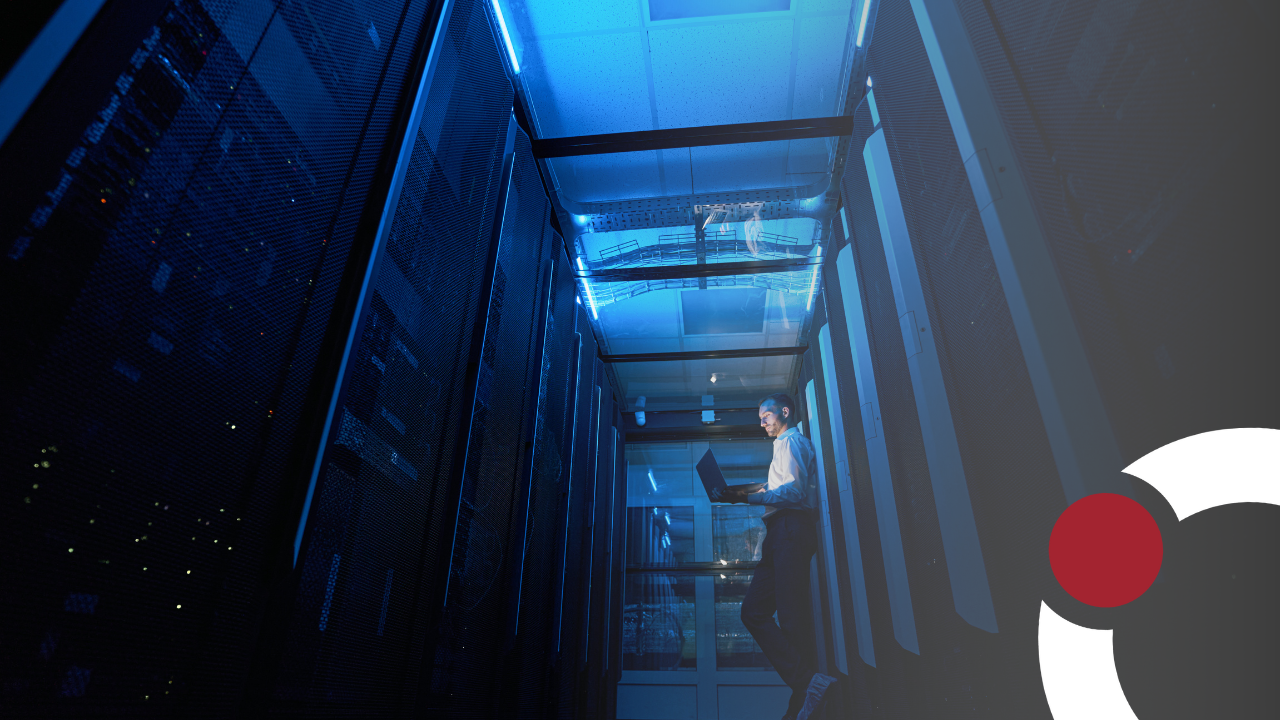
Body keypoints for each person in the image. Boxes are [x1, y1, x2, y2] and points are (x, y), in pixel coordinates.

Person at [711, 393, 838, 720]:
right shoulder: (782, 447)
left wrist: (747, 500)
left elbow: (792, 492)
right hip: (780, 533)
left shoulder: (792, 442)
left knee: (792, 618)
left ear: (784, 411)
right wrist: (736, 493)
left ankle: (805, 697)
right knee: (753, 611)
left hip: (790, 529)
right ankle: (809, 684)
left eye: (765, 415)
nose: (762, 422)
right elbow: (772, 486)